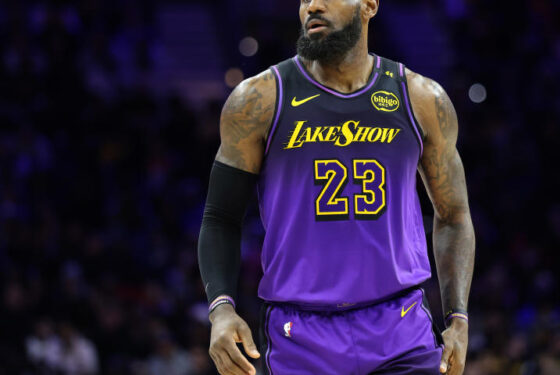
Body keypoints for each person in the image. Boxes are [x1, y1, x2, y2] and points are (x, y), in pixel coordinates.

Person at [197, 0, 475, 374]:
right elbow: (220, 217)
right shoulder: (258, 100)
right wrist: (221, 310)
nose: (312, 5)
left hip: (401, 329)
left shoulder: (422, 99)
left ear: (369, 5)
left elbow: (454, 215)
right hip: (300, 335)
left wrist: (458, 317)